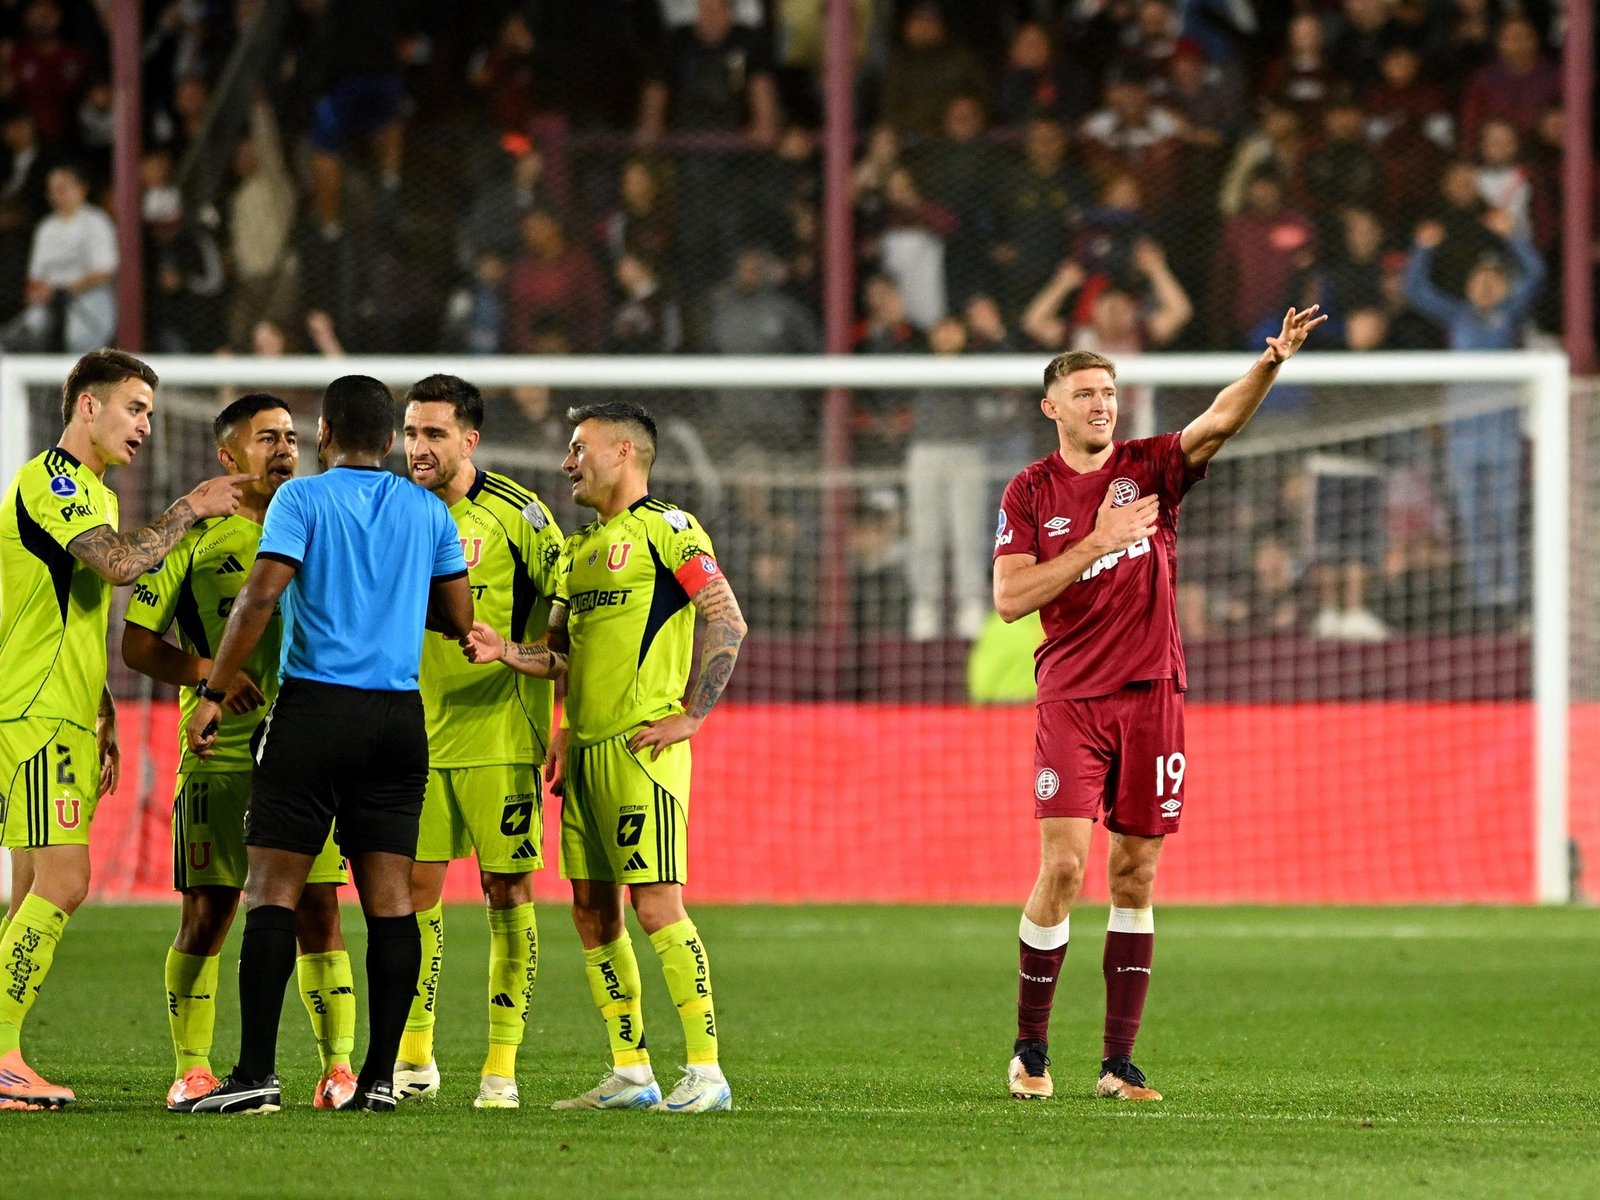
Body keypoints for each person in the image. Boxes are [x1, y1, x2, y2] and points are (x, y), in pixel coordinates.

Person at [994, 310, 1326, 1104]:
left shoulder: (1148, 468)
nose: (1101, 403)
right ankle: (1030, 1049)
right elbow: (1009, 598)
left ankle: (1118, 1065)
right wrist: (1094, 546)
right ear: (1053, 407)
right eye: (1084, 393)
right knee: (1066, 866)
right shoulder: (1031, 491)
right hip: (1072, 698)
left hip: (1155, 697)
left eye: (1108, 391)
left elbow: (1217, 423)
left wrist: (1270, 363)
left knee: (1136, 874)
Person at [175, 375, 475, 1114]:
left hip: (314, 710)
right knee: (389, 901)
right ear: (391, 439)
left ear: (325, 432)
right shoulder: (427, 509)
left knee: (272, 890)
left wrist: (213, 691)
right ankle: (378, 1079)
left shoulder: (301, 500)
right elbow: (459, 615)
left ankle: (254, 1074)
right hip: (398, 720)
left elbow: (261, 595)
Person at [469, 401, 747, 1113]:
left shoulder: (669, 529)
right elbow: (560, 652)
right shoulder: (574, 552)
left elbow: (726, 615)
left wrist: (691, 714)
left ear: (624, 451)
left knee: (656, 907)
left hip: (639, 750)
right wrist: (510, 655)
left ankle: (707, 1073)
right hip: (586, 752)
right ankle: (631, 1071)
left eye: (578, 448)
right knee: (593, 914)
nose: (567, 463)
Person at [0, 349, 251, 1108]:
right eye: (134, 407)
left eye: (148, 410)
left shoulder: (96, 494)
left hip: (66, 709)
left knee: (26, 896)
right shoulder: (56, 481)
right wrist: (188, 509)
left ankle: (7, 1054)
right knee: (67, 881)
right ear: (87, 406)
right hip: (37, 712)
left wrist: (104, 713)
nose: (144, 423)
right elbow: (115, 568)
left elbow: (70, 610)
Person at [120, 394, 357, 1113]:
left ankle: (337, 1069)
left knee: (320, 909)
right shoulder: (196, 541)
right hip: (219, 753)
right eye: (267, 438)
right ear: (229, 457)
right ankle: (193, 1067)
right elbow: (136, 645)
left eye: (291, 436)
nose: (285, 448)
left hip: (309, 748)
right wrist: (206, 676)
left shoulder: (323, 522)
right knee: (210, 913)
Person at [395, 375, 566, 1110]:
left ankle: (501, 1066)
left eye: (434, 434)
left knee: (506, 890)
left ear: (470, 439)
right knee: (411, 894)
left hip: (500, 731)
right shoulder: (391, 507)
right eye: (410, 432)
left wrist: (559, 708)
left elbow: (568, 628)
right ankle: (413, 1056)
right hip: (411, 732)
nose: (418, 448)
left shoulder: (519, 516)